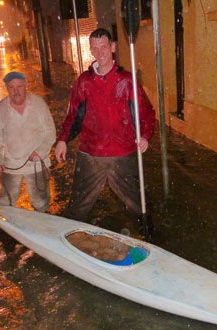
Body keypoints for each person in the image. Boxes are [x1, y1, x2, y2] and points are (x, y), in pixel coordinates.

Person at [55, 28, 155, 225]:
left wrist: (145, 136)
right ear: (91, 50)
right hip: (90, 154)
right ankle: (71, 239)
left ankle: (149, 236)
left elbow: (146, 113)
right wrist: (63, 140)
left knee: (138, 204)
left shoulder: (127, 81)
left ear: (112, 47)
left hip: (122, 154)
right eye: (95, 48)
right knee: (78, 207)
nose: (100, 52)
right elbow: (73, 116)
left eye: (104, 47)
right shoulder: (83, 82)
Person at [0, 71, 56, 212]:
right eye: (11, 88)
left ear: (26, 86)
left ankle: (42, 226)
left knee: (41, 203)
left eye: (19, 87)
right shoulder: (0, 108)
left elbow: (50, 133)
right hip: (11, 164)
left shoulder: (39, 104)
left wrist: (40, 152)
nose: (16, 91)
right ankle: (2, 229)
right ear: (7, 89)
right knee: (4, 203)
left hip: (37, 163)